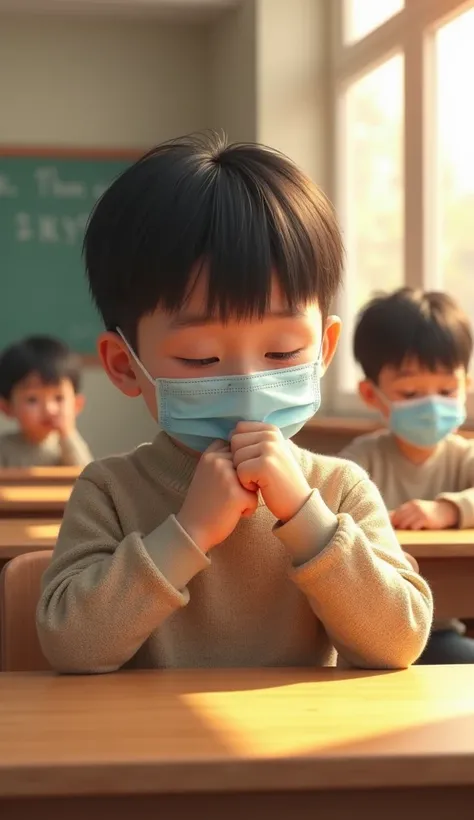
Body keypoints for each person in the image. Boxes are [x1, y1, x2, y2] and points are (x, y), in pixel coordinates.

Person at [36, 134, 432, 674]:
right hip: (148, 748)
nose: (248, 383)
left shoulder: (341, 490)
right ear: (125, 365)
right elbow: (71, 646)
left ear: (323, 349)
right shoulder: (110, 492)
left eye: (282, 351)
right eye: (200, 359)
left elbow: (398, 641)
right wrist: (189, 532)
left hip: (302, 748)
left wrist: (306, 517)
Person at [339, 287, 474, 664]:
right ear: (371, 395)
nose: (431, 404)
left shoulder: (464, 456)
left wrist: (449, 510)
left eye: (447, 389)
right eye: (411, 391)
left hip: (439, 633)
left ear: (466, 384)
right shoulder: (359, 460)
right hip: (369, 635)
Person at [0, 335, 92, 467]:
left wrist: (68, 435)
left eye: (58, 398)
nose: (49, 409)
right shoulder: (4, 449)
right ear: (6, 407)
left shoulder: (68, 446)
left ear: (76, 405)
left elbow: (85, 477)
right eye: (32, 400)